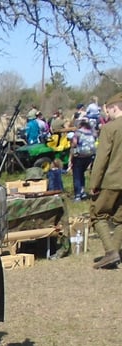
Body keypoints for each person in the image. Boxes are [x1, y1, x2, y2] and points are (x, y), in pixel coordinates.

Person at [89, 93, 122, 269]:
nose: (106, 114)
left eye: (107, 110)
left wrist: (94, 183)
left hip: (112, 179)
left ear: (114, 108)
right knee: (120, 218)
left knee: (97, 215)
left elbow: (101, 159)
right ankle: (115, 252)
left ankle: (110, 252)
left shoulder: (110, 128)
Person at [71, 117, 96, 201]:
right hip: (89, 156)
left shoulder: (78, 132)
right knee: (82, 174)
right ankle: (83, 192)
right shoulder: (92, 132)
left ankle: (78, 195)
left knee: (77, 175)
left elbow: (74, 144)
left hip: (79, 156)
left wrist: (71, 155)